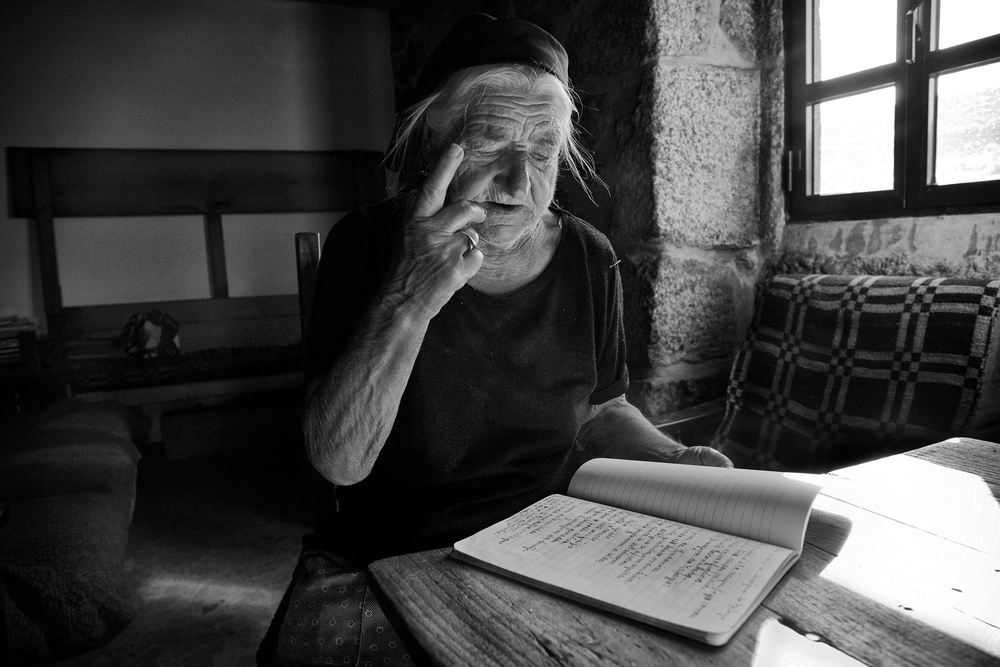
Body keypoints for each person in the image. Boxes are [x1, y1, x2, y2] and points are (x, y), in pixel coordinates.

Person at [258, 13, 732, 666]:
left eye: (542, 152)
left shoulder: (590, 256)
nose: (518, 181)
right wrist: (410, 295)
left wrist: (675, 461)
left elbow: (601, 410)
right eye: (488, 145)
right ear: (431, 141)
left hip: (546, 542)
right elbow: (340, 461)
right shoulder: (365, 245)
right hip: (393, 554)